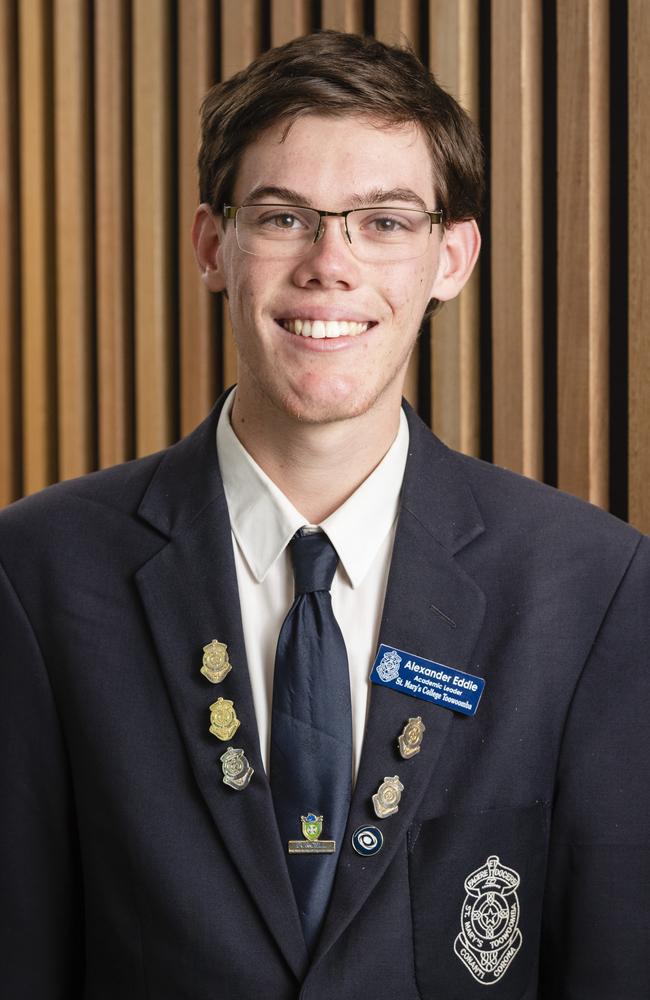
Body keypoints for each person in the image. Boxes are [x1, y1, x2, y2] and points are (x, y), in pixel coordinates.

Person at [1, 30, 648, 1000]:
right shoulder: (37, 575)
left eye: (383, 222)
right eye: (282, 216)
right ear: (212, 246)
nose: (328, 265)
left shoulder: (590, 589)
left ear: (451, 256)